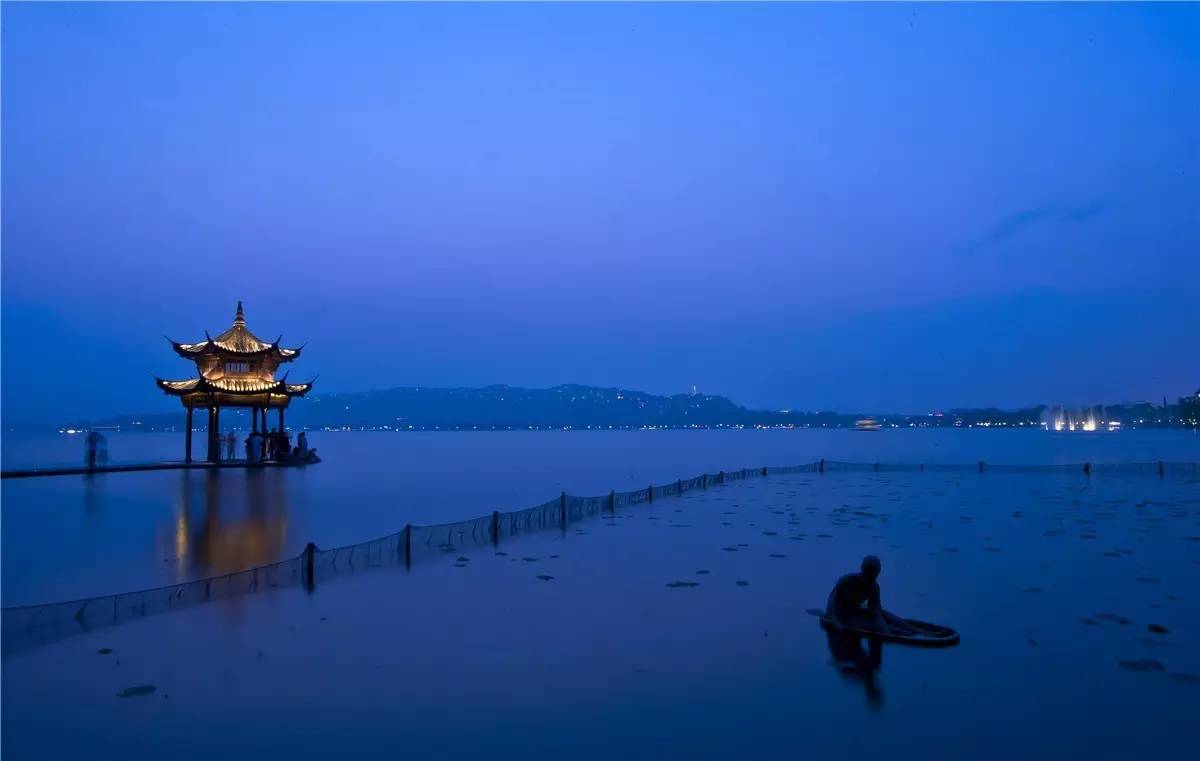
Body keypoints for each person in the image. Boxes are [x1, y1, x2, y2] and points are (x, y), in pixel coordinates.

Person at [825, 555, 915, 636]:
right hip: (842, 616)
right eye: (868, 572)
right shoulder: (846, 581)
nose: (871, 576)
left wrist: (884, 629)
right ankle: (901, 632)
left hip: (855, 612)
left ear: (878, 572)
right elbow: (831, 606)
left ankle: (918, 630)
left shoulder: (874, 587)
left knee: (885, 615)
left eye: (874, 573)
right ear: (862, 569)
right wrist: (837, 623)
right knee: (877, 626)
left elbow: (876, 613)